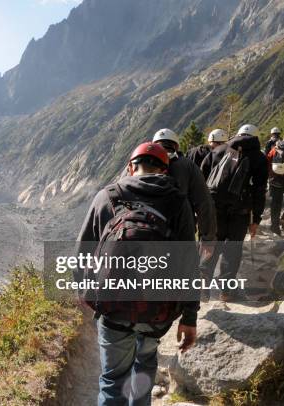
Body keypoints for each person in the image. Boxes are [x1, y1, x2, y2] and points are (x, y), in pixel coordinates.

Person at [79, 142, 198, 406]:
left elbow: (83, 252)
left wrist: (88, 295)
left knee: (112, 381)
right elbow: (189, 262)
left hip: (114, 310)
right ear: (164, 171)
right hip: (157, 311)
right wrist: (189, 317)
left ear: (131, 167)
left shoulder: (107, 197)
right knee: (144, 369)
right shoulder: (178, 203)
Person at [200, 124, 268, 301]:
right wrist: (256, 219)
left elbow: (202, 177)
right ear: (255, 138)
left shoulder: (219, 150)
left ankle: (202, 288)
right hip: (240, 211)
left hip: (214, 208)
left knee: (211, 244)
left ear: (237, 135)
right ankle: (226, 291)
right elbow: (259, 191)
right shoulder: (259, 158)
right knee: (232, 249)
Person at [121, 129, 217, 243]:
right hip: (177, 233)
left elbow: (119, 194)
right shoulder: (187, 166)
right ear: (176, 146)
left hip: (134, 230)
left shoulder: (136, 164)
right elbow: (204, 203)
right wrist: (207, 237)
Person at [267, 134, 284, 235]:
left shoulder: (275, 148)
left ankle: (275, 226)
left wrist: (270, 176)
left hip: (275, 180)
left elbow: (268, 161)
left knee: (275, 203)